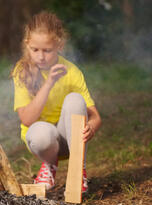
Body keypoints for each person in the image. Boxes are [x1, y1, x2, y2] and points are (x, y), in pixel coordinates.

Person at [12, 11, 101, 193]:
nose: (40, 57)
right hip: (42, 142)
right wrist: (49, 83)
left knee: (75, 99)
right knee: (41, 133)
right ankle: (49, 165)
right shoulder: (22, 71)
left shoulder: (72, 71)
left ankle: (78, 170)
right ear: (27, 45)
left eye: (47, 50)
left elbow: (96, 117)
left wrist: (91, 127)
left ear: (59, 46)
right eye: (34, 50)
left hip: (71, 139)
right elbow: (27, 119)